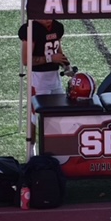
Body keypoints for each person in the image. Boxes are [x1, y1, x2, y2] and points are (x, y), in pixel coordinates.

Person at [18, 19, 69, 155]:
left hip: (55, 77)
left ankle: (56, 149)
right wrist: (50, 59)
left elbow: (58, 50)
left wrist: (66, 65)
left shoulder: (57, 26)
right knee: (35, 117)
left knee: (59, 113)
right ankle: (31, 149)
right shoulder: (31, 29)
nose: (47, 20)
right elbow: (26, 60)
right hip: (38, 79)